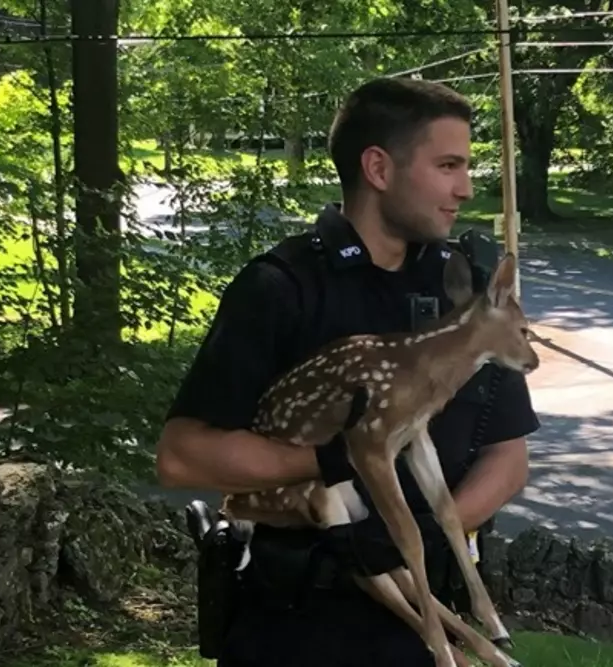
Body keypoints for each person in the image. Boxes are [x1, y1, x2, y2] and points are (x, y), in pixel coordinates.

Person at [155, 77, 540, 667]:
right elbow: (184, 458)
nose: (464, 188)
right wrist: (338, 457)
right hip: (298, 632)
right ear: (379, 169)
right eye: (447, 165)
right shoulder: (282, 288)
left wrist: (422, 535)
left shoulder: (463, 290)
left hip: (423, 621)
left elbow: (507, 456)